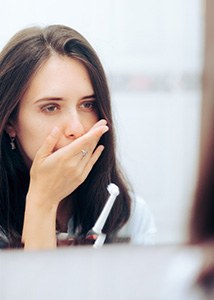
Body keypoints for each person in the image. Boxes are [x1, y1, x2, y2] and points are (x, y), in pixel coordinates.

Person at [0, 24, 156, 250]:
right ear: (10, 123)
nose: (77, 128)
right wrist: (42, 203)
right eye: (51, 108)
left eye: (87, 104)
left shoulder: (130, 215)